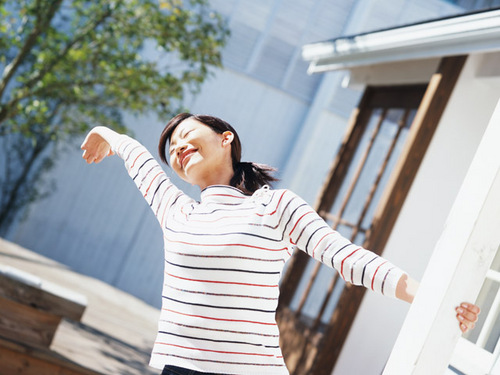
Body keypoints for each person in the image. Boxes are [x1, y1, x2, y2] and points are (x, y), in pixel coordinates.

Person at [81, 113, 480, 375]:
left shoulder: (274, 206)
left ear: (226, 139)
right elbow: (138, 160)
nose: (177, 148)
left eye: (186, 134)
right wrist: (106, 135)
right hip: (179, 367)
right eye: (172, 150)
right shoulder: (178, 213)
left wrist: (432, 300)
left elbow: (349, 259)